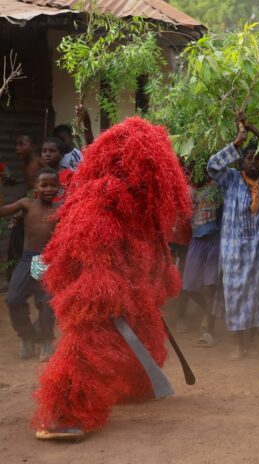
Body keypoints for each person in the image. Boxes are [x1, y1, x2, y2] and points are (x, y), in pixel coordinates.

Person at [33, 117, 190, 440]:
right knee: (92, 338)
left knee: (142, 322)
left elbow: (148, 247)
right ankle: (66, 413)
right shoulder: (100, 196)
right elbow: (85, 247)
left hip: (125, 280)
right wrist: (101, 287)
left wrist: (153, 278)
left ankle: (136, 383)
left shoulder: (138, 202)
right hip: (95, 281)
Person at [208, 130, 259, 360]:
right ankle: (238, 345)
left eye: (258, 158)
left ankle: (250, 344)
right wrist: (237, 143)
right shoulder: (231, 179)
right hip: (234, 252)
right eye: (249, 157)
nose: (253, 162)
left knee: (257, 297)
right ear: (241, 160)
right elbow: (212, 166)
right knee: (236, 296)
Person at [1, 168, 59, 362]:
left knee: (45, 302)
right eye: (44, 185)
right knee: (14, 299)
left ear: (58, 188)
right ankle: (28, 336)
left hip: (46, 260)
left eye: (53, 185)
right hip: (29, 259)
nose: (48, 189)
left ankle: (46, 340)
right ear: (36, 187)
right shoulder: (27, 204)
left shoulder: (60, 209)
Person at [175, 176, 221, 348]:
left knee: (210, 287)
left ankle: (210, 332)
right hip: (196, 240)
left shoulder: (216, 186)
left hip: (214, 239)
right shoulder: (187, 190)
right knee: (189, 286)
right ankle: (209, 312)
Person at [7, 135, 42, 280]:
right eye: (16, 145)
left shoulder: (39, 162)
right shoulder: (26, 164)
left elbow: (40, 189)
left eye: (21, 144)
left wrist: (22, 210)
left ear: (33, 147)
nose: (17, 148)